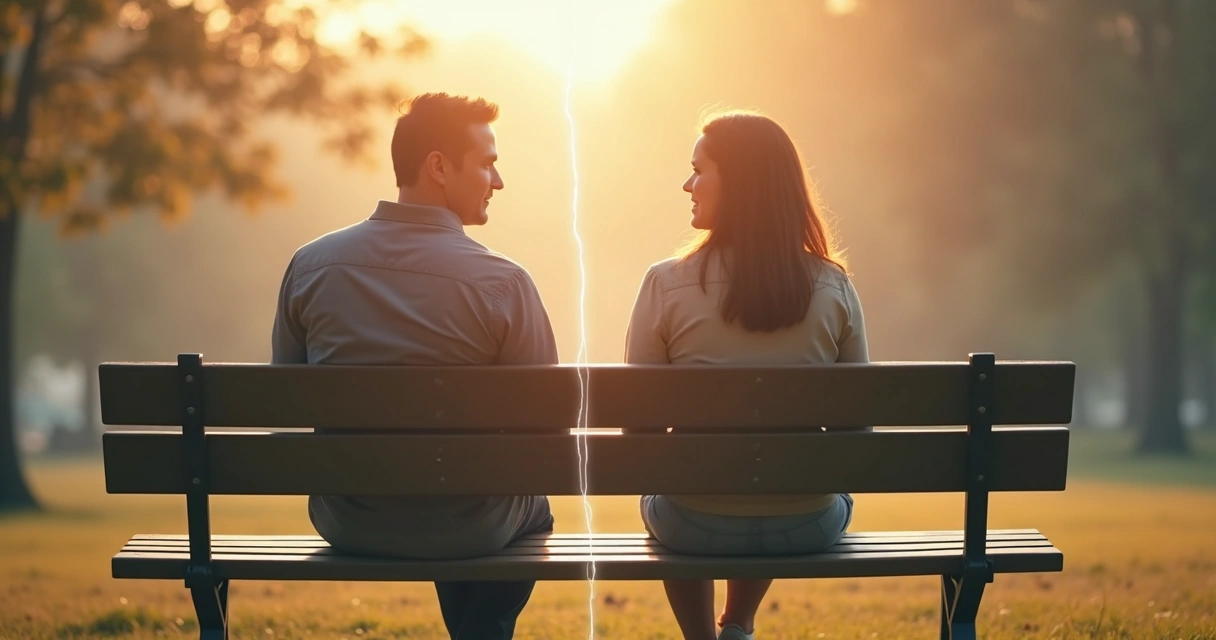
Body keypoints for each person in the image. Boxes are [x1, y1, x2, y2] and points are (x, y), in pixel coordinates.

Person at [271, 92, 558, 640]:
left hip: (349, 519)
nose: (497, 181)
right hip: (473, 526)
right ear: (439, 167)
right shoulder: (503, 282)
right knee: (522, 505)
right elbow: (546, 433)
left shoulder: (311, 266)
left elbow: (286, 405)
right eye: (488, 163)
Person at [624, 110, 869, 640]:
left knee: (672, 484)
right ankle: (738, 621)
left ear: (737, 182)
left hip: (690, 522)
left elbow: (636, 432)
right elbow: (858, 430)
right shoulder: (834, 286)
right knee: (783, 480)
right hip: (807, 522)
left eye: (698, 170)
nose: (687, 184)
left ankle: (701, 637)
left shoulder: (665, 285)